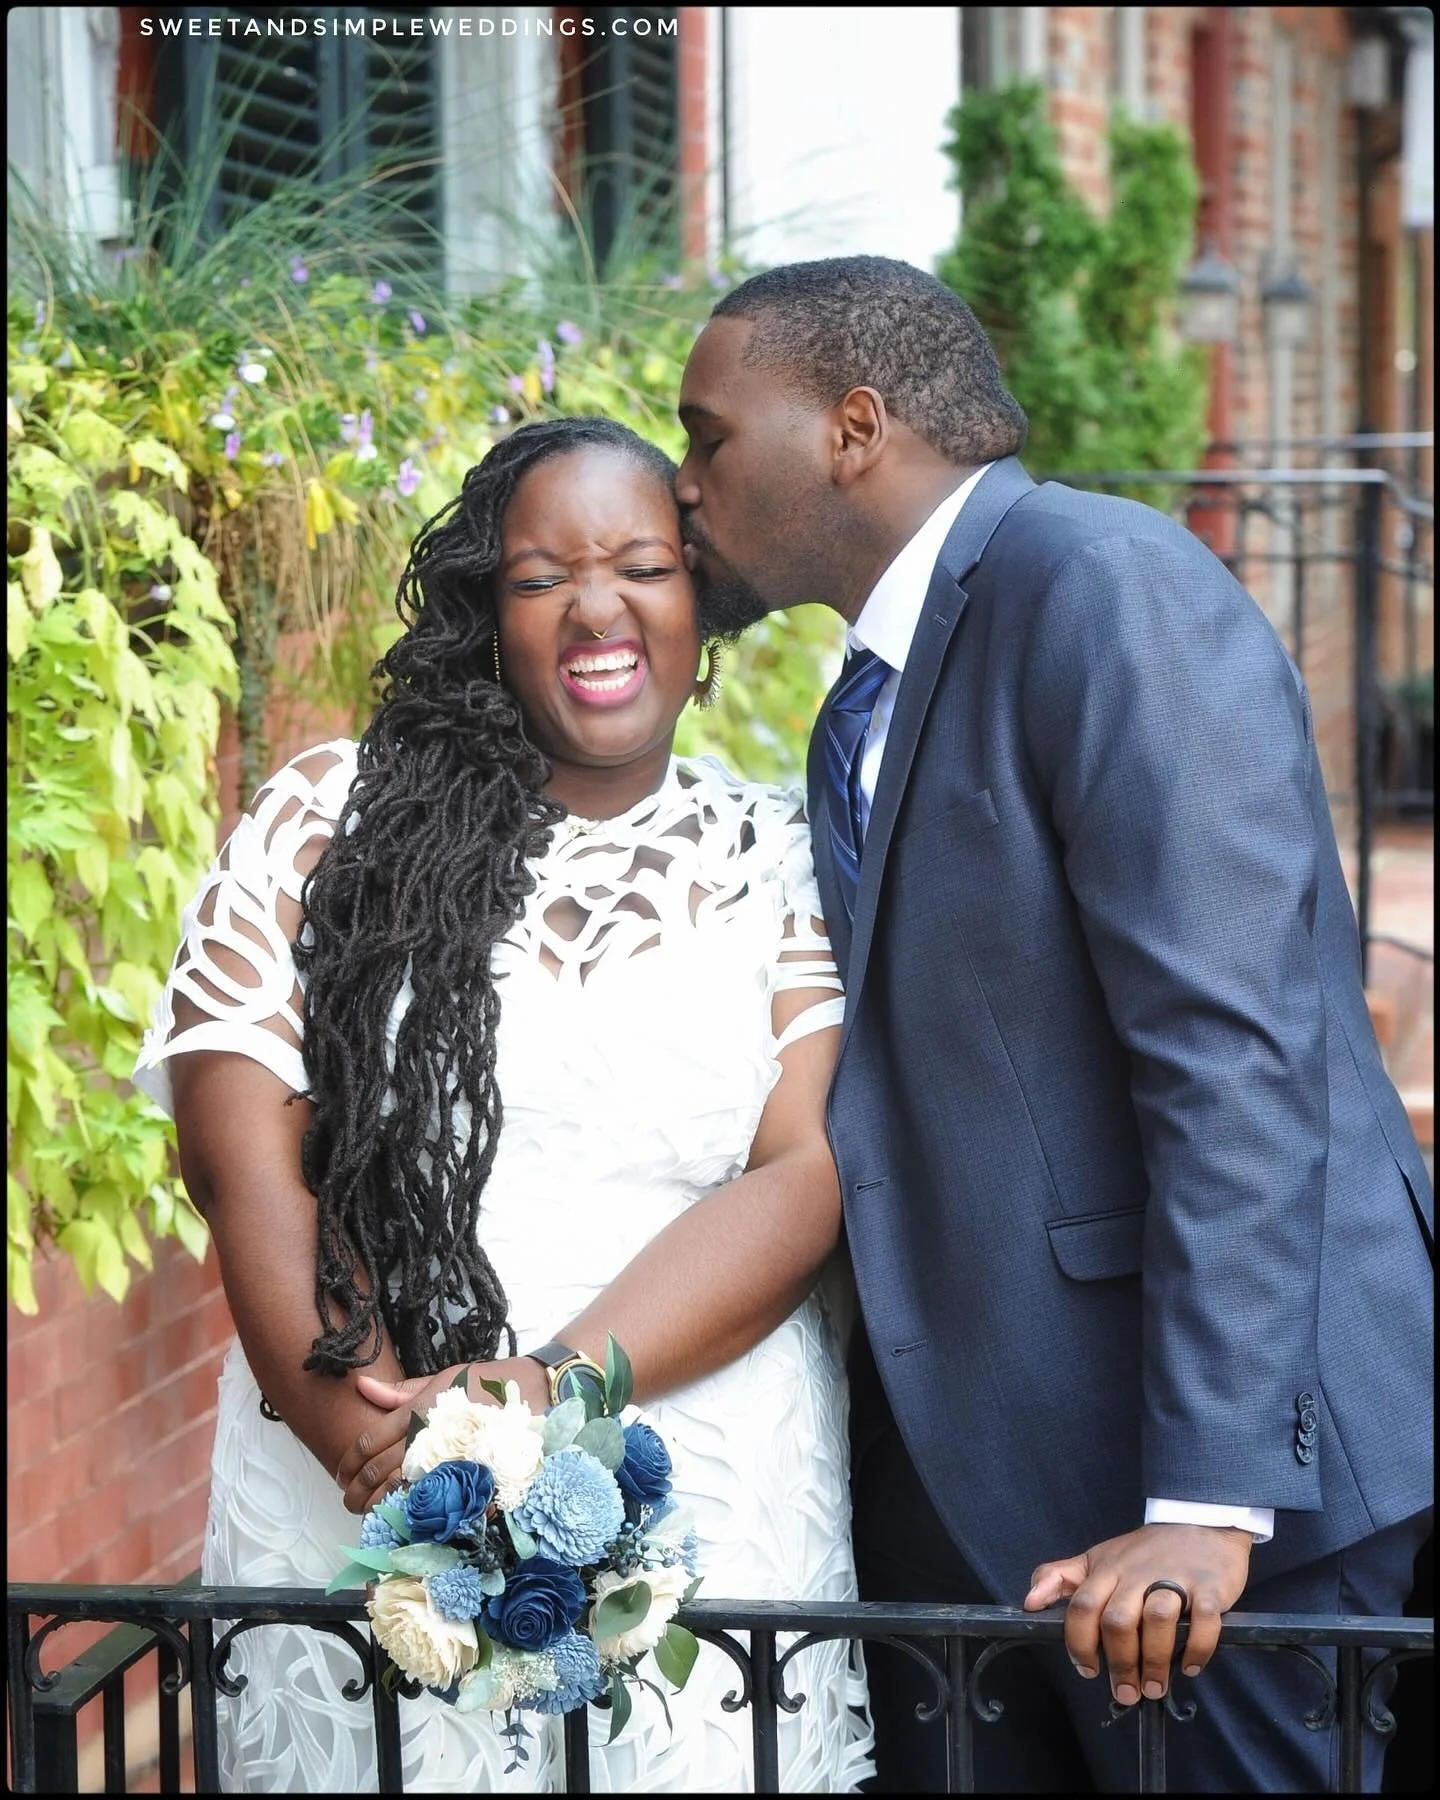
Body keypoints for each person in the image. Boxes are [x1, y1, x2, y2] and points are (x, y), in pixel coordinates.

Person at [674, 255, 1434, 1794]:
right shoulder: (867, 694)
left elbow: (1234, 1054)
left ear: (853, 428)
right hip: (1005, 1490)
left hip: (1212, 1511)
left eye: (707, 435)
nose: (685, 482)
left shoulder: (1102, 586)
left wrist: (1209, 1501)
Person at [132, 416, 873, 1794]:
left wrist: (547, 1392)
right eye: (542, 578)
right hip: (353, 1457)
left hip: (701, 1479)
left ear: (701, 599)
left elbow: (803, 1173)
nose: (597, 608)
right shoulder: (324, 820)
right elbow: (243, 1152)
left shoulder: (778, 856)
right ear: (486, 610)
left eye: (642, 567)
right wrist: (376, 1442)